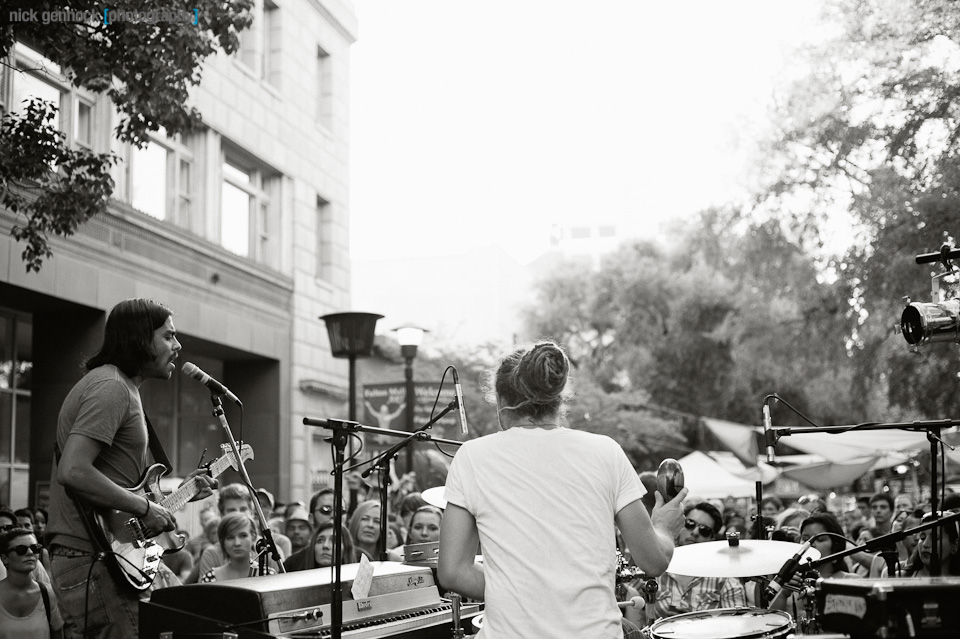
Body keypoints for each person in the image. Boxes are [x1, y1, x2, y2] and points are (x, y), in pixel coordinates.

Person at [438, 341, 686, 638]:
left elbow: (452, 571)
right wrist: (665, 528)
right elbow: (653, 560)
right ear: (559, 398)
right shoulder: (605, 451)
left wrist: (523, 591)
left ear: (501, 399)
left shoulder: (472, 457)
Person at [45, 298, 217, 639]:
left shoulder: (121, 387)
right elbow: (74, 470)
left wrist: (173, 496)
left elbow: (119, 487)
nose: (178, 345)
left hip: (103, 557)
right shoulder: (112, 387)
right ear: (140, 339)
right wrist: (144, 506)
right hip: (93, 558)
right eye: (168, 336)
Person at [653, 502, 747, 619]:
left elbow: (737, 627)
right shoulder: (655, 567)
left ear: (712, 538)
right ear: (679, 526)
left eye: (704, 530)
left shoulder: (725, 580)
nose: (695, 532)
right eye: (689, 524)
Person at [0, 527, 65, 639]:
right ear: (5, 558)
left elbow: (58, 634)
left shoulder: (48, 593)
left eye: (35, 548)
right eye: (21, 549)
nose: (30, 553)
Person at [199, 513, 275, 582]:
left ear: (253, 537)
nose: (237, 543)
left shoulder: (268, 575)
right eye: (230, 538)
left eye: (243, 536)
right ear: (222, 541)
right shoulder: (210, 578)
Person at [283, 520, 356, 571]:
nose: (325, 546)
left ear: (346, 548)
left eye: (334, 541)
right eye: (320, 541)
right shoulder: (292, 568)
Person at [904, 512, 960, 577]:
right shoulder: (900, 577)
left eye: (934, 538)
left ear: (955, 545)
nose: (925, 544)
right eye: (922, 538)